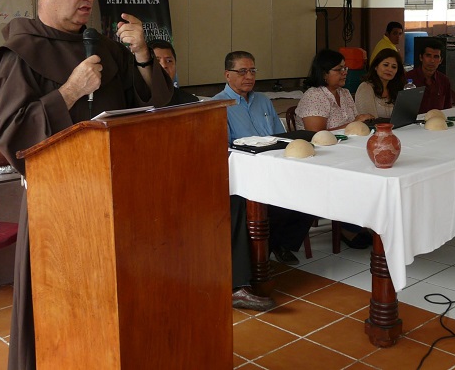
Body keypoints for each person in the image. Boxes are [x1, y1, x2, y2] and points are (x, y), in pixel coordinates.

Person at [0, 0, 174, 370]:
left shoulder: (107, 50)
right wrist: (70, 91)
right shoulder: (22, 51)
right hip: (61, 206)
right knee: (63, 316)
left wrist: (144, 56)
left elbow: (152, 107)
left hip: (116, 197)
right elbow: (11, 134)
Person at [212, 52, 314, 269]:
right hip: (246, 172)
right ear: (227, 75)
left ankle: (281, 242)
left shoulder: (263, 101)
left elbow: (281, 137)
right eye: (242, 71)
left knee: (310, 191)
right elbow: (225, 150)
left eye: (252, 71)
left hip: (276, 164)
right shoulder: (218, 105)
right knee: (271, 203)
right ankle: (263, 248)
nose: (249, 76)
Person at [295, 49, 374, 248]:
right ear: (323, 73)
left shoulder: (345, 93)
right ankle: (348, 226)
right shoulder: (314, 96)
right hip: (320, 157)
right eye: (339, 69)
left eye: (345, 68)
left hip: (345, 150)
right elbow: (317, 136)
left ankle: (363, 219)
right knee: (354, 172)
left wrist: (360, 121)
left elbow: (352, 124)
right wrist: (354, 123)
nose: (344, 72)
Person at [405, 38, 454, 113]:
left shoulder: (444, 81)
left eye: (436, 57)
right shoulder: (408, 78)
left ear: (441, 61)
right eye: (428, 56)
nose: (432, 60)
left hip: (437, 121)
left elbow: (448, 110)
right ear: (421, 57)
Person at [355, 48, 405, 118]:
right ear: (376, 66)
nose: (389, 69)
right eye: (385, 65)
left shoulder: (396, 88)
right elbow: (369, 121)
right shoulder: (366, 87)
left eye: (394, 67)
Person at [149, 39, 199, 105]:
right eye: (157, 61)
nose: (164, 66)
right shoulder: (136, 102)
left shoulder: (189, 101)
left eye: (169, 61)